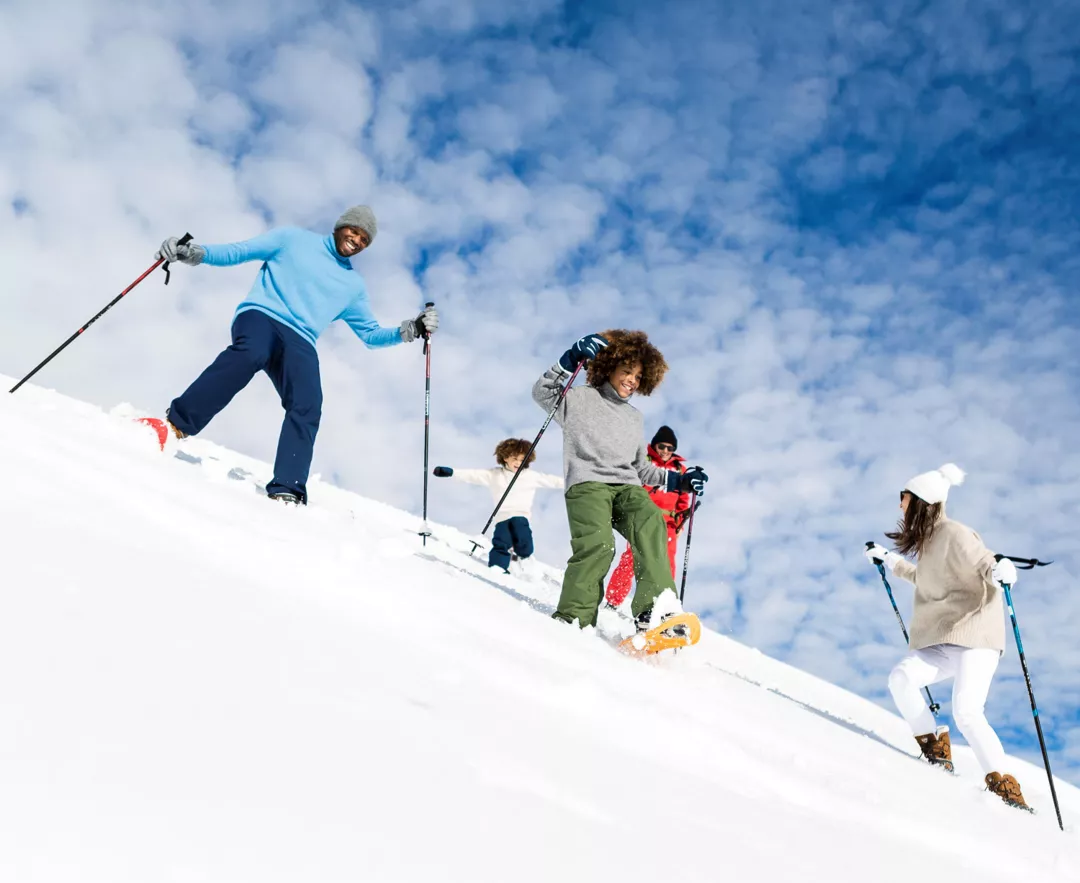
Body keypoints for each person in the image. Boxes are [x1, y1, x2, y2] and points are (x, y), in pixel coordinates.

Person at [156, 206, 438, 505]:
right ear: (341, 226)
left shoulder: (352, 286)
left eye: (365, 239)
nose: (357, 240)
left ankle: (287, 487)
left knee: (308, 404)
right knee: (251, 352)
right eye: (354, 231)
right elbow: (239, 251)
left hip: (301, 339)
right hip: (261, 315)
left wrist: (410, 329)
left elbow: (370, 334)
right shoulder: (292, 239)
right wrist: (194, 253)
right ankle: (175, 423)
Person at [865, 463, 1028, 809]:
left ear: (921, 500)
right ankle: (935, 748)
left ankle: (1005, 789)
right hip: (943, 639)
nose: (900, 505)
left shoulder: (955, 534)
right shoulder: (927, 544)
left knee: (967, 711)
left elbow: (985, 562)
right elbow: (923, 579)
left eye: (903, 497)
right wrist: (889, 561)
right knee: (901, 678)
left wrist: (1002, 571)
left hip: (976, 635)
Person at [532, 329, 707, 632]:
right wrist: (569, 358)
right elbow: (542, 392)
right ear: (609, 367)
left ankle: (655, 612)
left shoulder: (634, 417)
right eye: (627, 371)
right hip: (588, 484)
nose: (632, 380)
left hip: (627, 487)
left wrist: (682, 481)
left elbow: (642, 468)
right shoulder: (580, 398)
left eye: (638, 376)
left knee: (652, 522)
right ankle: (574, 621)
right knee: (600, 545)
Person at [432, 439, 564, 573]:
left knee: (521, 533)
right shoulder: (494, 474)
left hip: (521, 516)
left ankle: (523, 557)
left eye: (522, 459)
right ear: (506, 457)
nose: (518, 463)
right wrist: (451, 472)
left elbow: (553, 481)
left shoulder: (532, 476)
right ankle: (498, 569)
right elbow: (473, 475)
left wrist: (575, 482)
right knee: (501, 541)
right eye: (515, 459)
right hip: (502, 517)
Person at [604, 425, 692, 608]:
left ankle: (665, 604)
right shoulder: (644, 461)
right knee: (633, 556)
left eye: (670, 448)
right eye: (662, 447)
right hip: (643, 517)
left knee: (667, 563)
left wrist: (680, 522)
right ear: (655, 446)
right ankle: (613, 600)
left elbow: (683, 499)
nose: (666, 451)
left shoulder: (680, 470)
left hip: (668, 522)